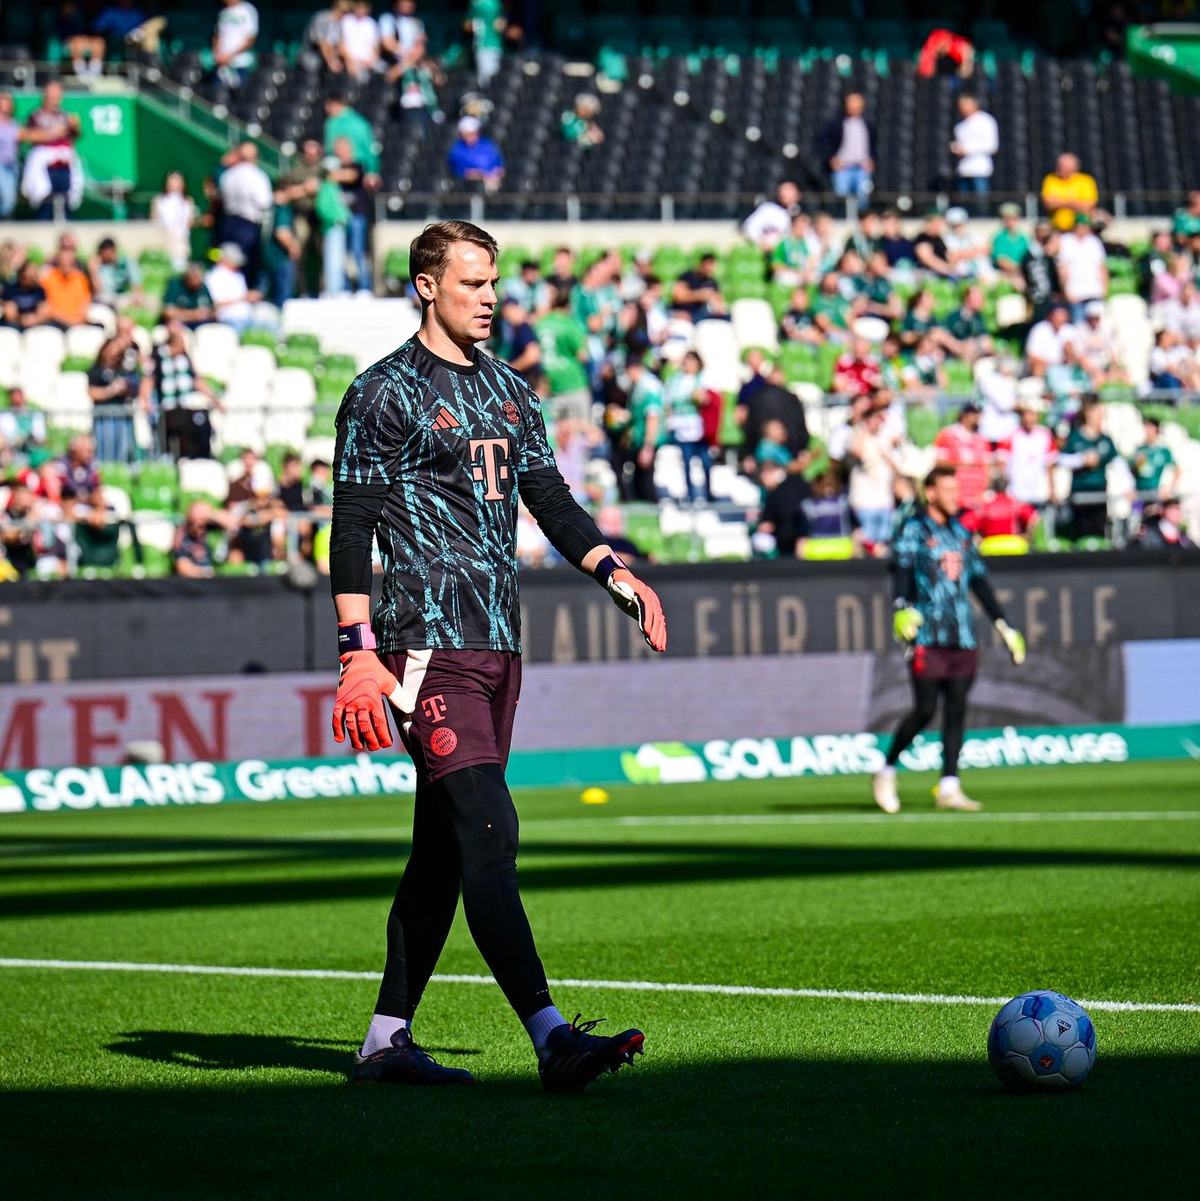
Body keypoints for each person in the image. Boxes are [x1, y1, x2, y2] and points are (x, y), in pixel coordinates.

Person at [328, 218, 663, 1091]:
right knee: (487, 826)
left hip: (498, 643)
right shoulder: (382, 392)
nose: (489, 299)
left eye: (493, 284)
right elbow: (352, 523)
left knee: (441, 850)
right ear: (426, 286)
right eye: (472, 284)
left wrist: (614, 570)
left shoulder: (512, 390)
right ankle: (553, 1037)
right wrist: (356, 651)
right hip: (421, 648)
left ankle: (384, 1041)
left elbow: (547, 494)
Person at [871, 465, 1027, 815]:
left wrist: (1003, 623)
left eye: (956, 490)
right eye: (948, 490)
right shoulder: (914, 530)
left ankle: (949, 784)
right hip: (927, 632)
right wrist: (900, 607)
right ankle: (886, 770)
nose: (955, 496)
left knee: (957, 708)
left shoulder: (961, 533)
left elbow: (978, 580)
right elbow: (901, 571)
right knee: (925, 708)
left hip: (962, 634)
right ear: (931, 493)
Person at [22, 80, 83, 219]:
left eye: (57, 94)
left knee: (66, 197)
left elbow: (76, 136)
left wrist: (75, 127)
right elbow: (27, 135)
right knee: (45, 199)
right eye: (52, 94)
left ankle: (66, 228)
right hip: (45, 163)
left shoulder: (65, 115)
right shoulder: (36, 115)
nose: (55, 98)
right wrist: (53, 134)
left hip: (64, 162)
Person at [1061, 400, 1117, 541]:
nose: (1101, 418)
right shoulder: (1075, 437)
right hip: (1080, 492)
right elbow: (1061, 459)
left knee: (1099, 531)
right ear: (1088, 415)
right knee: (1081, 532)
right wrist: (1082, 460)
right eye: (1098, 414)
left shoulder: (1105, 439)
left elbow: (1117, 463)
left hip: (1099, 492)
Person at [218, 142, 273, 285]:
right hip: (247, 224)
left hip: (228, 223)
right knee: (246, 266)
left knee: (228, 262)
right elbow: (264, 202)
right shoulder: (257, 176)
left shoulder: (228, 175)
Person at [663, 350, 714, 504]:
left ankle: (709, 492)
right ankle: (691, 494)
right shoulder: (675, 380)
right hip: (681, 426)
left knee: (705, 462)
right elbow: (668, 402)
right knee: (686, 462)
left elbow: (709, 399)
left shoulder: (703, 378)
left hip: (698, 426)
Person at [847, 405, 900, 546]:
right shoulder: (857, 436)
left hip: (885, 501)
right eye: (874, 419)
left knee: (884, 544)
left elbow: (896, 465)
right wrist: (864, 430)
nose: (878, 423)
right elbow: (857, 453)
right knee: (866, 543)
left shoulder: (885, 438)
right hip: (865, 502)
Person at [277, 140, 325, 296]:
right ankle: (302, 290)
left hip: (322, 217)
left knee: (324, 254)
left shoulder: (323, 169)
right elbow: (286, 192)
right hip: (302, 215)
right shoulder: (297, 169)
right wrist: (305, 189)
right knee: (299, 253)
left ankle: (323, 289)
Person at [535, 288, 590, 422]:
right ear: (568, 305)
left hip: (549, 384)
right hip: (572, 384)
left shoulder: (540, 324)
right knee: (579, 436)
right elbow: (583, 355)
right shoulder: (569, 324)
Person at [87, 337, 144, 463]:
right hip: (104, 414)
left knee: (122, 447)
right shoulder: (96, 371)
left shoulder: (122, 371)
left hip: (121, 413)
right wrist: (110, 390)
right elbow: (92, 392)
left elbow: (137, 386)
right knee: (105, 447)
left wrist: (126, 388)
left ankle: (120, 471)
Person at [817, 92, 874, 208]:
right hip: (843, 168)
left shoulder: (867, 124)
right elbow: (825, 142)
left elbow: (873, 145)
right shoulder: (836, 124)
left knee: (862, 197)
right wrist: (832, 159)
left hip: (861, 168)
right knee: (841, 198)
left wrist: (871, 160)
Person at [1001, 401, 1058, 514]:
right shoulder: (1012, 435)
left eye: (1032, 414)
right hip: (1017, 492)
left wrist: (1052, 490)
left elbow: (1050, 464)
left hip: (1038, 492)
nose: (1029, 418)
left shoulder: (1045, 435)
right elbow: (1002, 463)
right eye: (1026, 414)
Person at [934, 402, 992, 513]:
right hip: (955, 497)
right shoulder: (947, 435)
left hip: (976, 499)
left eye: (978, 414)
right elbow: (939, 463)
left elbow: (987, 468)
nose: (976, 417)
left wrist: (983, 492)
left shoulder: (982, 439)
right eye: (973, 413)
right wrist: (961, 464)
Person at [1056, 213, 1108, 323]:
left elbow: (1101, 266)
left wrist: (1104, 288)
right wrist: (1065, 290)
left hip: (1094, 291)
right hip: (1075, 292)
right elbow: (1062, 269)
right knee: (1078, 324)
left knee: (1096, 325)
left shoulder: (1094, 242)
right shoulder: (1065, 241)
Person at [950, 94, 999, 199]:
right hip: (963, 170)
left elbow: (992, 145)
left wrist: (967, 150)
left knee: (980, 204)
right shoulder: (960, 125)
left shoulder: (986, 121)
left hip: (980, 170)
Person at [205, 242, 261, 332]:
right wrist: (244, 298)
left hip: (248, 318)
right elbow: (214, 303)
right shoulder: (214, 276)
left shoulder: (238, 275)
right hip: (229, 320)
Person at [40, 236, 92, 328]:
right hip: (55, 323)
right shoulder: (47, 278)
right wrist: (68, 321)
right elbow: (46, 308)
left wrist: (76, 321)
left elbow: (84, 305)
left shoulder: (80, 279)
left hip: (77, 323)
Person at [152, 171, 197, 272]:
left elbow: (189, 223)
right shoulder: (158, 201)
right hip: (163, 243)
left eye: (178, 181)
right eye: (172, 181)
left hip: (180, 246)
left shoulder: (188, 202)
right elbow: (154, 222)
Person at [1041, 153, 1098, 233]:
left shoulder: (1086, 181)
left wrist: (1061, 201)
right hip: (1057, 229)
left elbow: (1087, 206)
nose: (1057, 168)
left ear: (1072, 167)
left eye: (1061, 166)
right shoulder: (1050, 179)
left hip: (1080, 231)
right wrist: (1074, 202)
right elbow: (1049, 204)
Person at [446, 115, 505, 192]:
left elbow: (499, 165)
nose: (469, 137)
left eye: (472, 134)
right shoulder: (457, 149)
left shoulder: (488, 145)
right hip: (469, 184)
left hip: (491, 180)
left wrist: (495, 173)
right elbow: (460, 170)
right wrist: (476, 175)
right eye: (466, 134)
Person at [741, 180, 803, 252]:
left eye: (789, 189)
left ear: (798, 194)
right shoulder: (768, 209)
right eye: (783, 190)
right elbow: (749, 227)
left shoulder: (802, 213)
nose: (785, 193)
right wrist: (760, 242)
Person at [1128, 415, 1177, 501]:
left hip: (1156, 493)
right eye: (1146, 428)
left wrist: (1169, 489)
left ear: (1156, 430)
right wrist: (1136, 465)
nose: (1147, 431)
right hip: (1139, 492)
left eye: (1150, 428)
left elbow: (1176, 470)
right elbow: (1131, 472)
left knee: (1154, 513)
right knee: (1138, 513)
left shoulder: (1163, 451)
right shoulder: (1140, 450)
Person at [89, 236, 143, 311]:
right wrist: (93, 272)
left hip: (122, 298)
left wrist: (137, 296)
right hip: (106, 300)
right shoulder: (101, 267)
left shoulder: (127, 262)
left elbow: (136, 284)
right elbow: (98, 290)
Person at [213, 0, 259, 87]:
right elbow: (216, 35)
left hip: (241, 65)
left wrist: (230, 55)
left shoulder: (247, 10)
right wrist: (217, 53)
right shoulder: (223, 12)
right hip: (222, 65)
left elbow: (251, 39)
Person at [1025, 302, 1077, 377]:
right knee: (1038, 369)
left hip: (1064, 366)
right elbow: (1032, 357)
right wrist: (1052, 365)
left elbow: (1077, 356)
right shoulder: (1039, 330)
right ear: (1051, 316)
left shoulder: (1069, 330)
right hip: (1045, 366)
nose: (1060, 319)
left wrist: (1069, 353)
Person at [671, 253, 727, 321]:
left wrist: (718, 307)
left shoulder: (712, 282)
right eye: (708, 264)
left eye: (712, 264)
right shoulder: (687, 276)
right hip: (685, 313)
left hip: (703, 314)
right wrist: (701, 295)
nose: (710, 268)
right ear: (701, 264)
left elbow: (720, 301)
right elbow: (678, 296)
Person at [172, 500, 220, 577]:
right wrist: (205, 572)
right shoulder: (182, 534)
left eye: (203, 520)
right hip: (194, 581)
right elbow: (181, 565)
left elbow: (231, 522)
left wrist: (212, 515)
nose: (200, 525)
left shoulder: (212, 528)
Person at [162, 263, 216, 327]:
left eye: (199, 279)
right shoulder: (175, 285)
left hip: (202, 325)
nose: (196, 282)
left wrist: (207, 313)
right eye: (193, 279)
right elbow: (168, 312)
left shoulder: (202, 287)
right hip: (181, 325)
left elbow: (212, 310)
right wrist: (192, 315)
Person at [2, 260, 52, 329]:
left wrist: (35, 319)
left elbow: (45, 309)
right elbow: (9, 312)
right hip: (15, 324)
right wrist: (21, 319)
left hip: (35, 323)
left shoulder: (39, 290)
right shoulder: (11, 289)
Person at [304, 0, 350, 74]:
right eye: (344, 11)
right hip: (314, 56)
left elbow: (341, 45)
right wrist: (331, 61)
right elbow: (322, 43)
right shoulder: (322, 19)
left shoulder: (340, 23)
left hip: (332, 57)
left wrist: (349, 61)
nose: (345, 15)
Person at [991, 202, 1029, 290]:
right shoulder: (1000, 238)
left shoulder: (1023, 238)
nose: (1011, 222)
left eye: (1013, 218)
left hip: (1022, 273)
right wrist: (1018, 270)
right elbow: (1001, 260)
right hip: (1007, 274)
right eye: (1008, 219)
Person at [467, 0, 506, 87]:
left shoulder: (495, 3)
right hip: (482, 45)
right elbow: (467, 25)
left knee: (492, 79)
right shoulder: (476, 4)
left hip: (494, 45)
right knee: (486, 80)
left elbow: (501, 22)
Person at [340, 0, 382, 80]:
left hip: (368, 61)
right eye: (358, 7)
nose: (360, 10)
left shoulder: (371, 23)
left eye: (363, 8)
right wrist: (349, 61)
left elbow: (376, 46)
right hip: (351, 60)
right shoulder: (346, 21)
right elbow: (341, 44)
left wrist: (372, 59)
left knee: (382, 70)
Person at [380, 0, 426, 71]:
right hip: (392, 62)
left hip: (410, 63)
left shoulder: (417, 22)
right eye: (404, 2)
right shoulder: (387, 19)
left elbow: (420, 48)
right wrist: (407, 53)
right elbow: (387, 44)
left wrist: (401, 68)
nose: (407, 5)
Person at [0, 92, 25, 219]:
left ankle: (6, 219)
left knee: (10, 198)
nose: (6, 104)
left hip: (12, 164)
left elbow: (21, 139)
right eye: (3, 101)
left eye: (8, 101)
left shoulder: (14, 123)